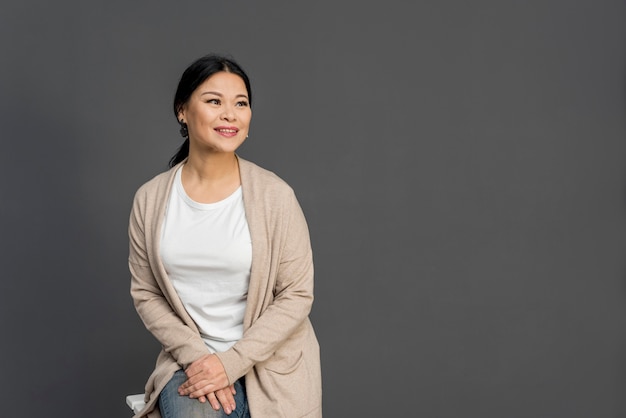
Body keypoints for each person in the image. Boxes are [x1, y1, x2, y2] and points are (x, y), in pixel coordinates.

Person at [128, 53, 322, 418]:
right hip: (193, 364)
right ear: (182, 111)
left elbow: (296, 294)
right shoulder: (150, 199)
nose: (230, 114)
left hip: (273, 364)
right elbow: (146, 293)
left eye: (241, 103)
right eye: (214, 101)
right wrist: (200, 358)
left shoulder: (276, 196)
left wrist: (232, 362)